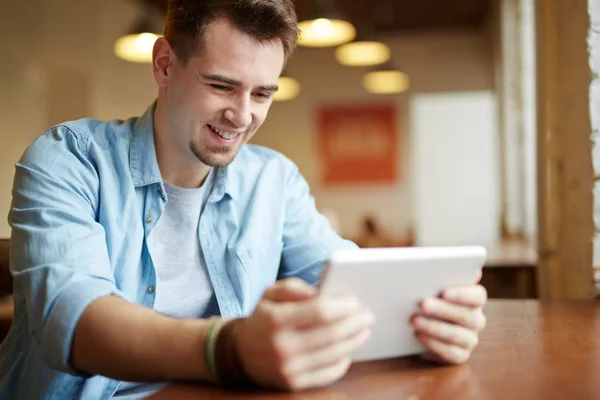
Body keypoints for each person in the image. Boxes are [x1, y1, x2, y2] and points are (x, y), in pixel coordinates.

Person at [0, 0, 487, 398]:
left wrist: (427, 319)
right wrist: (229, 348)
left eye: (263, 94)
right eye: (221, 86)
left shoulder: (274, 180)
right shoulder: (67, 160)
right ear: (165, 64)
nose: (242, 115)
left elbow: (350, 285)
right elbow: (73, 318)